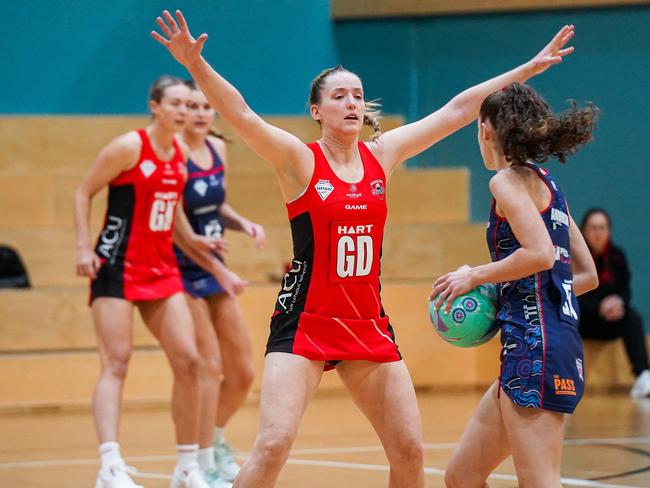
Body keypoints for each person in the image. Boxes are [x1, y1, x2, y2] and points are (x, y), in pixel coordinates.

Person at [152, 10, 576, 487]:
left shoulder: (383, 154)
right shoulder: (298, 160)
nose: (351, 102)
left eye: (357, 95)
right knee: (272, 447)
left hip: (365, 322)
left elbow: (458, 110)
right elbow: (241, 113)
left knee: (410, 452)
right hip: (306, 321)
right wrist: (196, 65)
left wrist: (526, 69)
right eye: (338, 96)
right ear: (317, 111)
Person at [74, 75, 245, 488]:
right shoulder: (129, 147)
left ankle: (187, 467)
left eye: (189, 105)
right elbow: (83, 192)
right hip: (116, 264)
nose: (185, 112)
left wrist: (198, 246)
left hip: (161, 268)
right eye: (177, 104)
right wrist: (84, 248)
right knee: (116, 362)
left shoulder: (181, 154)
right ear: (156, 106)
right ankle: (109, 465)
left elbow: (172, 219)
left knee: (189, 362)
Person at [431, 83, 599, 487]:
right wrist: (524, 296)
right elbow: (587, 274)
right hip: (535, 344)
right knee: (462, 476)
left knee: (538, 481)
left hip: (536, 350)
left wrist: (475, 276)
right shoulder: (548, 184)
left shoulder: (505, 182)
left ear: (487, 130)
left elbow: (540, 253)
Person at [176, 80, 266, 483]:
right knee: (208, 367)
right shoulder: (173, 154)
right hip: (181, 266)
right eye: (191, 106)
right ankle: (200, 459)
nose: (199, 113)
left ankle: (212, 438)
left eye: (205, 107)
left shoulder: (217, 148)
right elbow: (178, 223)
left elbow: (216, 202)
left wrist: (242, 222)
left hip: (214, 265)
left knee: (243, 371)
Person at [578, 208, 650, 398]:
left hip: (609, 322)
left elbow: (625, 289)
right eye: (593, 228)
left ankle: (643, 376)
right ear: (584, 231)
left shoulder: (617, 256)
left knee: (632, 317)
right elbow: (570, 295)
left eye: (602, 228)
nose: (598, 233)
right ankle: (566, 378)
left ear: (608, 231)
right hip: (582, 321)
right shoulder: (574, 257)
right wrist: (598, 307)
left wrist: (618, 302)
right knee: (564, 319)